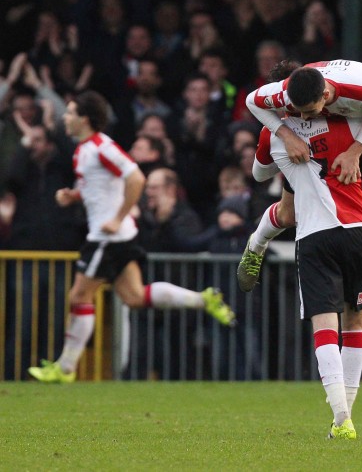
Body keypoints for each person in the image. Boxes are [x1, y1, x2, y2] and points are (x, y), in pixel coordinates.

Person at [27, 91, 235, 383]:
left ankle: (65, 368)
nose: (65, 117)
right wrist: (74, 196)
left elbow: (135, 177)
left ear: (84, 119)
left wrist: (118, 216)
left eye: (70, 112)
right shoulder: (83, 150)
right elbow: (102, 188)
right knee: (134, 296)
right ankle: (204, 300)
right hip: (117, 236)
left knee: (79, 294)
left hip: (107, 237)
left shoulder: (101, 146)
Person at [240, 59, 362, 336]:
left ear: (324, 97)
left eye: (307, 111)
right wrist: (283, 136)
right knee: (287, 215)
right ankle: (255, 247)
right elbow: (253, 108)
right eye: (293, 110)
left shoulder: (357, 97)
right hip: (316, 154)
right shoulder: (285, 102)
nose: (302, 118)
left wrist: (356, 150)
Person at [254, 113, 362, 440]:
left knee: (325, 324)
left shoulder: (274, 133)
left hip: (315, 235)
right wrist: (357, 150)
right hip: (361, 230)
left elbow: (257, 173)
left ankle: (342, 418)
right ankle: (343, 420)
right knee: (355, 322)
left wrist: (283, 147)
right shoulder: (349, 120)